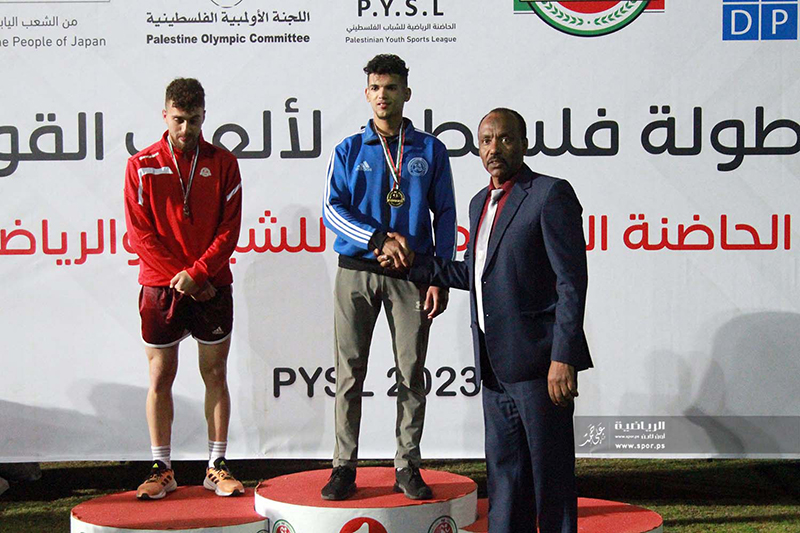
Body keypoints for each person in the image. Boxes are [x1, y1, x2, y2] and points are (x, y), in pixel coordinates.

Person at [378, 108, 592, 532]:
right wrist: (413, 263)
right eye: (486, 141)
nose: (495, 148)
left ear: (524, 143)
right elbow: (474, 275)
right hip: (494, 370)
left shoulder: (550, 194)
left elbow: (571, 282)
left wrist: (563, 356)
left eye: (505, 139)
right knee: (505, 481)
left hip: (540, 368)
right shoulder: (479, 202)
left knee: (551, 483)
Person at [321, 54, 457, 501]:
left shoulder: (430, 150)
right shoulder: (348, 149)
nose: (384, 96)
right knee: (348, 374)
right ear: (367, 94)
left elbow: (446, 215)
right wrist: (377, 237)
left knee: (412, 372)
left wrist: (440, 275)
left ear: (406, 93)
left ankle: (407, 464)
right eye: (376, 88)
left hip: (412, 276)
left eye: (392, 88)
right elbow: (331, 210)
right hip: (356, 272)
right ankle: (343, 466)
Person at [124, 78, 244, 500]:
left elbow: (229, 229)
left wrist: (200, 272)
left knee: (215, 373)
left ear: (204, 116)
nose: (185, 128)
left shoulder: (224, 163)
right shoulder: (141, 165)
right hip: (162, 288)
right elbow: (140, 235)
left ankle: (216, 466)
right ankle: (162, 468)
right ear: (165, 115)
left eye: (193, 120)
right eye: (178, 119)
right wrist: (185, 278)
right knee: (160, 375)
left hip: (212, 285)